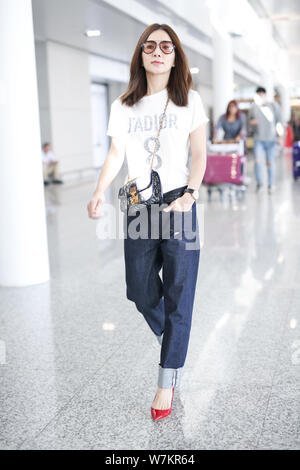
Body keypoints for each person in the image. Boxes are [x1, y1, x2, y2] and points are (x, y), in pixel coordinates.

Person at [87, 23, 208, 421]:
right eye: (150, 46)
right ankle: (170, 338)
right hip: (140, 206)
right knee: (139, 291)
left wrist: (191, 192)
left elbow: (199, 153)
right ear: (141, 54)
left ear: (175, 56)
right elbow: (115, 154)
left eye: (166, 47)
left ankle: (166, 380)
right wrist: (99, 191)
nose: (157, 52)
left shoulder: (190, 100)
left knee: (178, 293)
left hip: (178, 204)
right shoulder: (123, 105)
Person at [248, 86, 283, 194]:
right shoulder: (253, 107)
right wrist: (252, 123)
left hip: (271, 139)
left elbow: (279, 122)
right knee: (257, 162)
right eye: (258, 94)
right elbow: (249, 122)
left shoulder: (273, 106)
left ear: (265, 95)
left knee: (270, 162)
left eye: (262, 94)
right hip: (258, 138)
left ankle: (271, 185)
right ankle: (260, 184)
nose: (260, 96)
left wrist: (280, 136)